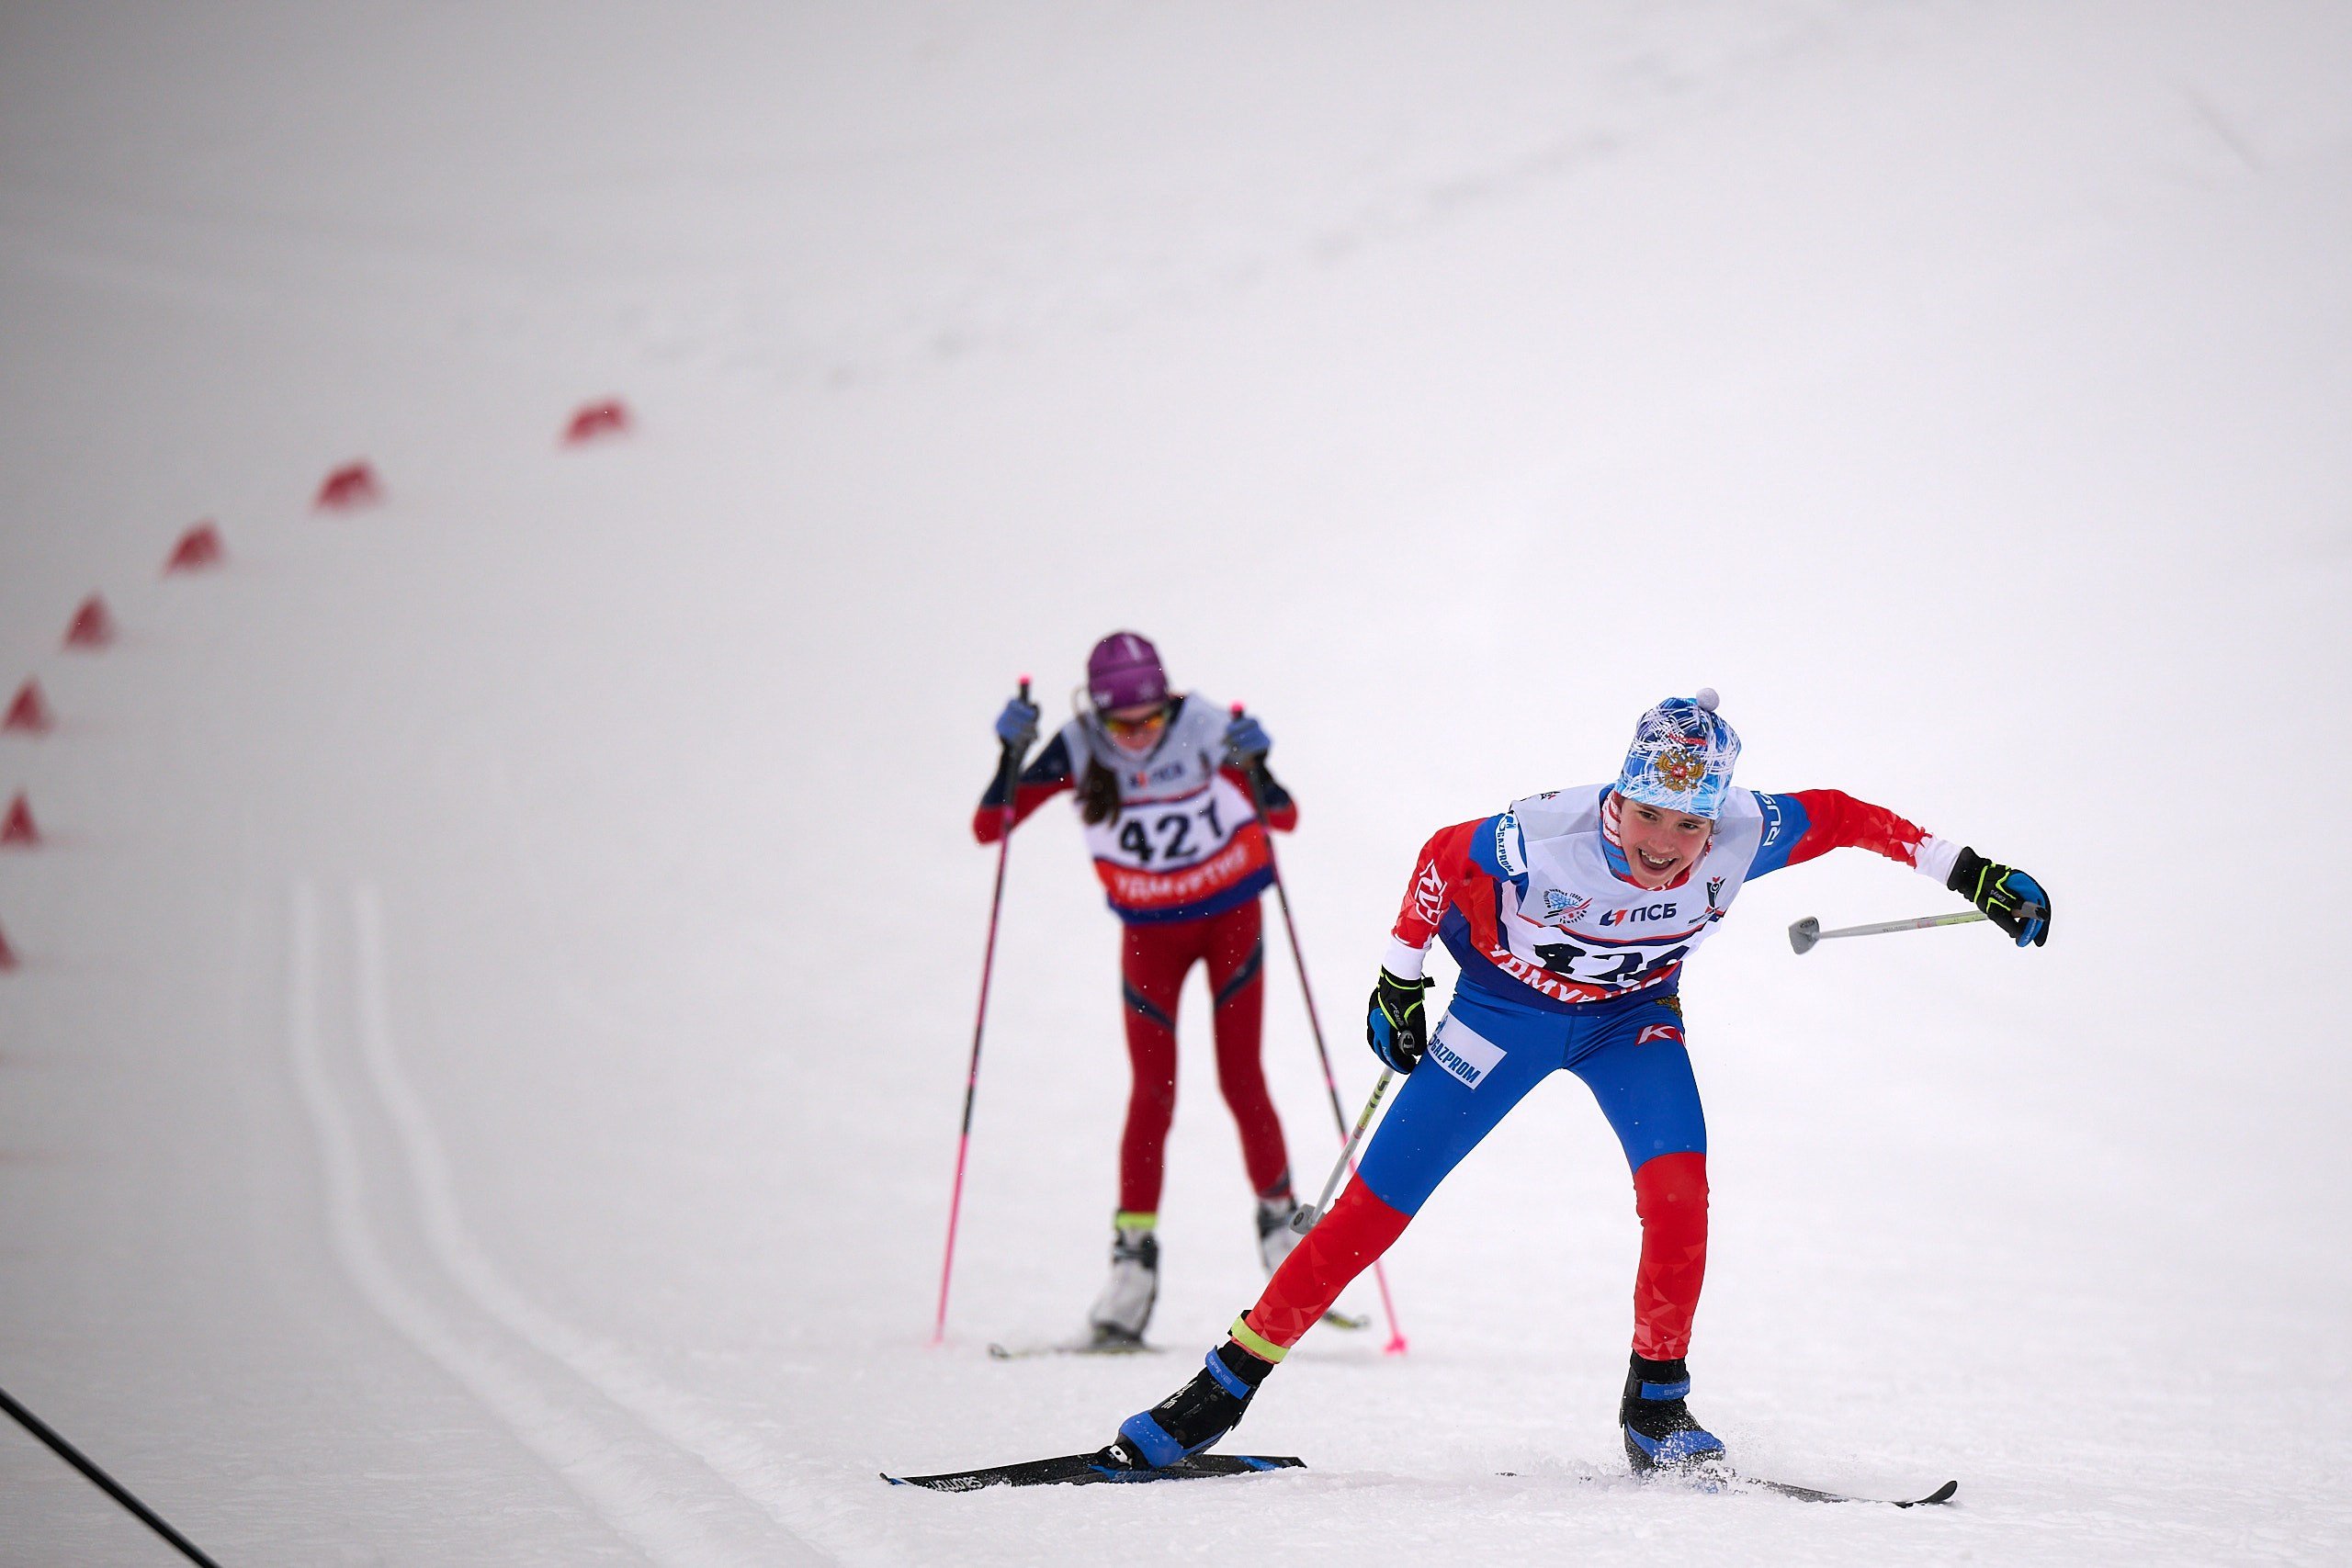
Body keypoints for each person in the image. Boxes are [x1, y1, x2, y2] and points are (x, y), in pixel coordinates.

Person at [1108, 689, 2050, 1470]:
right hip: (1499, 1018)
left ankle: (1656, 1405)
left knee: (1679, 1196)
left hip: (1627, 1024)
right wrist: (1400, 981)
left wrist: (1971, 873)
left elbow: (1844, 817)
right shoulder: (1540, 834)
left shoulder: (1742, 831)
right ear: (1618, 797)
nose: (1666, 844)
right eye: (1647, 815)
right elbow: (1441, 857)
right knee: (1375, 1208)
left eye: (1689, 824)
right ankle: (1221, 1388)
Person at [978, 631, 1306, 1347]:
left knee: (1241, 1078)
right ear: (1097, 713)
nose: (1139, 735)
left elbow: (1282, 816)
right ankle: (1132, 1267)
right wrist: (1011, 755)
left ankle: (1284, 1234)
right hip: (1149, 934)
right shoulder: (1078, 745)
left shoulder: (1205, 725)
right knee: (1150, 1092)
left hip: (1229, 923)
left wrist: (1259, 763)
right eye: (1123, 724)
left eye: (1152, 718)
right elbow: (989, 826)